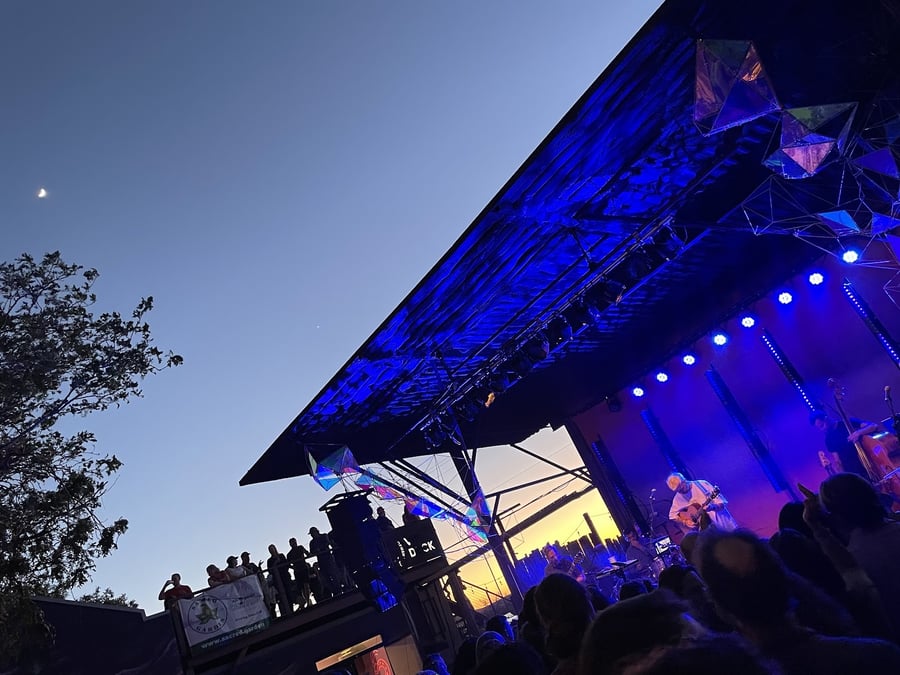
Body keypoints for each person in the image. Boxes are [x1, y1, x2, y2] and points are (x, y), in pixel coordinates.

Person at [810, 410, 879, 479]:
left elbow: (873, 426)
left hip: (873, 461)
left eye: (822, 425)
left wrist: (858, 433)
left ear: (826, 418)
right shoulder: (828, 439)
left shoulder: (846, 423)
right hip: (855, 473)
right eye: (820, 428)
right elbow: (838, 461)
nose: (823, 429)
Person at [666, 472, 737, 532]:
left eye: (681, 488)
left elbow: (722, 503)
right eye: (678, 491)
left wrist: (712, 507)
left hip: (723, 523)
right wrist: (685, 522)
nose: (681, 492)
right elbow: (672, 516)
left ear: (684, 481)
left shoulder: (701, 484)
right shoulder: (678, 497)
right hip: (708, 532)